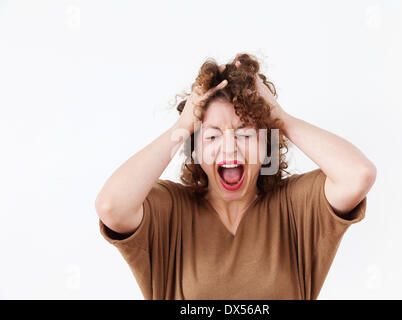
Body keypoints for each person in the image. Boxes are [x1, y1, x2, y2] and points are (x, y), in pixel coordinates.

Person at [95, 53, 376, 300]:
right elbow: (111, 207)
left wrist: (280, 117)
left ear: (266, 143)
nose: (230, 146)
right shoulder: (170, 208)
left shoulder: (294, 206)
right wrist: (182, 125)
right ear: (194, 147)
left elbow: (358, 175)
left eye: (244, 132)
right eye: (213, 135)